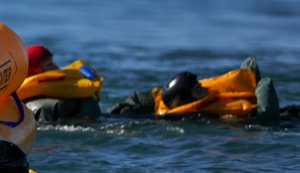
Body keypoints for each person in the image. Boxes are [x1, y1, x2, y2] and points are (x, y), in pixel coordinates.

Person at [107, 57, 281, 121]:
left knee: (249, 66)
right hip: (258, 119)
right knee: (265, 85)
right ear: (187, 101)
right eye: (198, 92)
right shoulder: (195, 114)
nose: (204, 90)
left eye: (200, 86)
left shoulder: (204, 94)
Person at [18, 44, 103, 122]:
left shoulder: (69, 92)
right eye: (49, 64)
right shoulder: (49, 108)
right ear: (34, 72)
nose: (56, 67)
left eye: (52, 62)